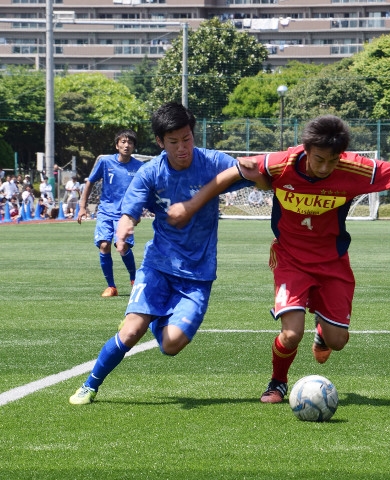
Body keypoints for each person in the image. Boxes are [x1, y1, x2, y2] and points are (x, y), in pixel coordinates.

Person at [164, 115, 390, 404]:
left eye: (332, 161)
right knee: (290, 333)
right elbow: (232, 174)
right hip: (290, 259)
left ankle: (324, 335)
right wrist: (191, 206)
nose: (325, 167)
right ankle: (277, 381)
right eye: (319, 159)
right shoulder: (280, 162)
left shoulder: (354, 168)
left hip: (332, 262)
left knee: (338, 341)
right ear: (306, 148)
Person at [68, 102, 260, 405]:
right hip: (158, 265)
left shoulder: (213, 162)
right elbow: (129, 212)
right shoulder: (149, 173)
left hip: (198, 274)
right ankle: (90, 385)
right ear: (160, 142)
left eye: (187, 139)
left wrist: (261, 170)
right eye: (174, 142)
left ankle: (157, 319)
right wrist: (124, 228)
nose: (182, 147)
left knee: (170, 345)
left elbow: (256, 175)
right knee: (131, 331)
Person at [78, 130, 145, 297]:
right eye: (123, 142)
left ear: (133, 146)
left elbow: (144, 191)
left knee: (122, 247)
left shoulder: (139, 167)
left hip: (126, 214)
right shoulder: (105, 162)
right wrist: (82, 206)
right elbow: (90, 182)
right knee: (104, 245)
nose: (126, 145)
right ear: (117, 145)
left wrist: (138, 212)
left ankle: (133, 279)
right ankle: (111, 287)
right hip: (106, 212)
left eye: (130, 143)